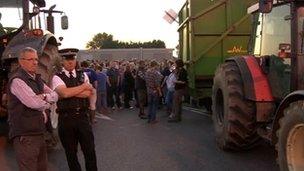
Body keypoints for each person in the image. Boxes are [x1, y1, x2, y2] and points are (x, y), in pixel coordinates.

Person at [7, 47, 58, 171]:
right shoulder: (18, 80)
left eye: (36, 59)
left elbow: (55, 95)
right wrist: (48, 103)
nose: (35, 62)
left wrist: (44, 96)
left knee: (42, 168)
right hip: (26, 136)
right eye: (30, 59)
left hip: (38, 132)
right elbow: (34, 103)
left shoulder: (37, 78)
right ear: (21, 61)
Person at [52, 48, 97, 171]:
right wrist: (82, 87)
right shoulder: (56, 77)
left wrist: (68, 91)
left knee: (90, 151)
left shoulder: (82, 74)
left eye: (72, 58)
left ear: (75, 60)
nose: (70, 62)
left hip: (83, 117)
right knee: (71, 154)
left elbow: (88, 93)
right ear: (62, 61)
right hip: (66, 119)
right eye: (66, 59)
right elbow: (64, 94)